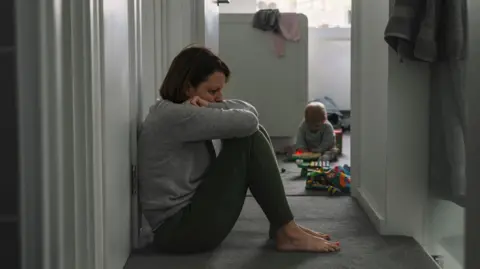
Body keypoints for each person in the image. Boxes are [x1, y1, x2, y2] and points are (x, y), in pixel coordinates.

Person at [137, 46, 341, 254]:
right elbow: (249, 121)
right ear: (188, 88)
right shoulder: (177, 116)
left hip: (183, 221)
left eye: (220, 91)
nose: (219, 98)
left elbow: (250, 113)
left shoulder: (173, 111)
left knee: (251, 133)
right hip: (178, 232)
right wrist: (211, 108)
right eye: (212, 91)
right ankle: (286, 230)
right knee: (248, 138)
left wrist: (209, 105)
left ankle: (284, 226)